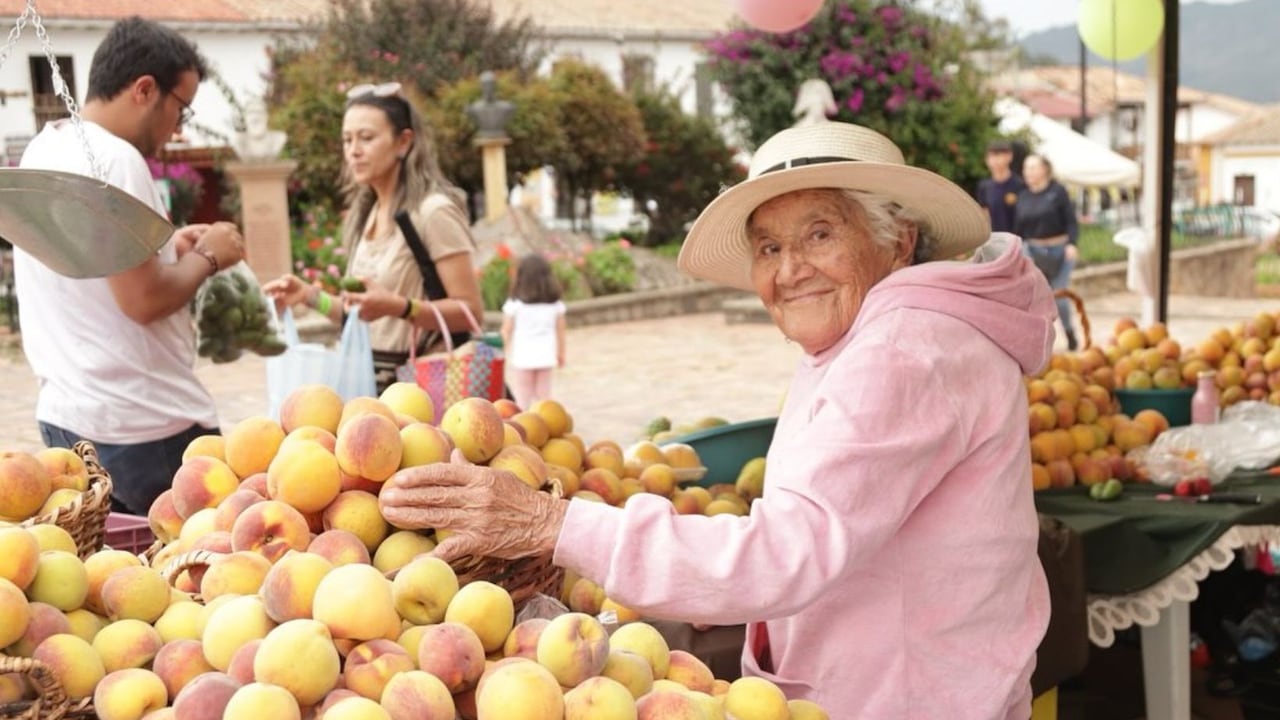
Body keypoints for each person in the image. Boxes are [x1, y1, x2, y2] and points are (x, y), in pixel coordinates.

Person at [378, 122, 1058, 717]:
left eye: (820, 234)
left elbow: (785, 552)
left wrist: (553, 523)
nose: (790, 270)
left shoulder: (903, 350)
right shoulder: (881, 333)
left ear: (899, 241)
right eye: (768, 248)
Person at [13, 17, 245, 516]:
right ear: (145, 89)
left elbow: (101, 274)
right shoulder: (115, 160)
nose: (179, 127)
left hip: (71, 417)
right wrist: (211, 255)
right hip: (143, 426)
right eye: (180, 108)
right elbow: (143, 299)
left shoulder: (44, 148)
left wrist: (168, 251)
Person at [264, 82, 484, 393]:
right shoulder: (366, 215)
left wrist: (400, 307)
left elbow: (470, 313)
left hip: (427, 393)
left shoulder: (433, 212)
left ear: (404, 142)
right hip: (375, 392)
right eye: (347, 139)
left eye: (366, 138)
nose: (353, 150)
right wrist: (310, 296)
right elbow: (365, 317)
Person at [1014, 153, 1081, 350]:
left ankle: (1069, 332)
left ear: (1045, 169)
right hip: (1034, 253)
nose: (1029, 172)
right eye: (1026, 168)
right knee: (1036, 299)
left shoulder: (1058, 192)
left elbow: (1071, 221)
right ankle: (1041, 342)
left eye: (1034, 167)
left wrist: (1072, 244)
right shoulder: (1023, 196)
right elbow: (1018, 230)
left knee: (1059, 297)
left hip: (1060, 252)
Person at [501, 254, 566, 410]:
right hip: (546, 355)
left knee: (522, 395)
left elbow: (506, 330)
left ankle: (522, 426)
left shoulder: (515, 304)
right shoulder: (555, 305)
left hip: (523, 357)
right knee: (544, 395)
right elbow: (561, 331)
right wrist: (561, 353)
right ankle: (546, 424)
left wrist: (501, 351)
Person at [976, 139, 1024, 234]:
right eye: (990, 156)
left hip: (1017, 240)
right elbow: (985, 214)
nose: (994, 160)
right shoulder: (984, 187)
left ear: (1009, 156)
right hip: (995, 239)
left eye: (998, 155)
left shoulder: (1020, 185)